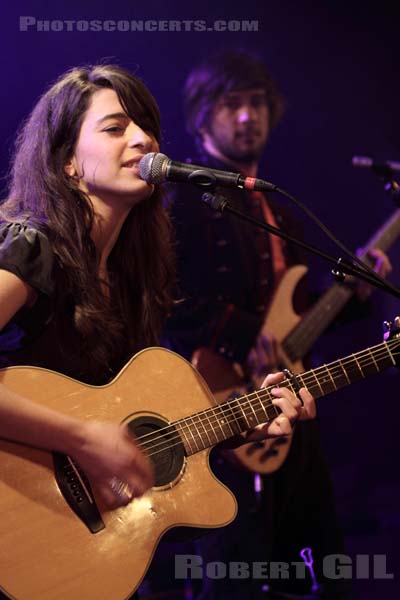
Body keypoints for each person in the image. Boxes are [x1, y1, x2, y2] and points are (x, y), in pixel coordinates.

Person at [0, 64, 314, 600]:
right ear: (68, 162)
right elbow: (93, 434)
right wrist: (80, 438)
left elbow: (135, 427)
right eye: (115, 127)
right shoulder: (31, 246)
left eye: (144, 126)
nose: (143, 138)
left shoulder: (134, 274)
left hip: (82, 549)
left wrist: (242, 422)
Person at [160, 50, 391, 599]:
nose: (247, 116)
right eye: (230, 104)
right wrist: (240, 334)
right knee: (230, 560)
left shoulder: (279, 209)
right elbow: (161, 297)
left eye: (257, 103)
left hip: (289, 400)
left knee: (319, 557)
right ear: (200, 119)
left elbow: (299, 319)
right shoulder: (181, 202)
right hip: (215, 401)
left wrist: (354, 296)